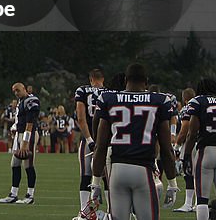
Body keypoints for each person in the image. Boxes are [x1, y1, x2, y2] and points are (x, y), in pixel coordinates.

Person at [90, 63, 178, 220]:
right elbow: (166, 148)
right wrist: (172, 183)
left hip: (117, 170)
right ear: (146, 82)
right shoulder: (159, 100)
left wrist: (96, 181)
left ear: (125, 80)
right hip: (143, 170)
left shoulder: (109, 99)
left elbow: (100, 145)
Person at [0, 82, 40, 205]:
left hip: (29, 135)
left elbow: (30, 123)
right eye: (14, 91)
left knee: (28, 164)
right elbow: (20, 120)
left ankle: (30, 195)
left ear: (24, 89)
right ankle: (13, 194)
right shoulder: (21, 102)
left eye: (18, 90)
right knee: (15, 164)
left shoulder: (31, 100)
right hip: (19, 135)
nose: (16, 93)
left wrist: (25, 143)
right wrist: (14, 128)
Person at [182, 78, 216, 220]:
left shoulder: (197, 101)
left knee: (202, 199)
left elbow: (192, 133)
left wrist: (187, 155)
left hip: (206, 151)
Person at [74, 68, 106, 215]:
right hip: (106, 139)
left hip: (89, 138)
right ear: (103, 79)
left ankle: (85, 212)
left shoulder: (82, 91)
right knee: (108, 176)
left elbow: (81, 118)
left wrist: (89, 140)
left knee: (86, 174)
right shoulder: (109, 93)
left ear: (91, 79)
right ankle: (114, 212)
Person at [173, 86, 197, 213]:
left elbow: (185, 129)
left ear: (185, 99)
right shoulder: (203, 104)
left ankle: (188, 204)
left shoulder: (188, 107)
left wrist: (177, 144)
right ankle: (198, 203)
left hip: (192, 144)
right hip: (206, 142)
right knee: (200, 175)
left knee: (189, 174)